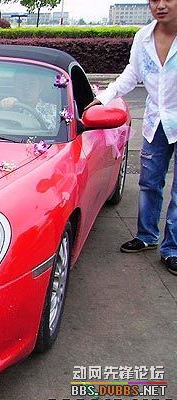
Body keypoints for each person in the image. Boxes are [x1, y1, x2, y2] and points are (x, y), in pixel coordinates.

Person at [87, 0, 177, 276]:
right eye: (154, 0)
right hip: (156, 121)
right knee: (149, 182)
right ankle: (147, 236)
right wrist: (102, 98)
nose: (160, 5)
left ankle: (172, 249)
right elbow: (131, 75)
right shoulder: (143, 37)